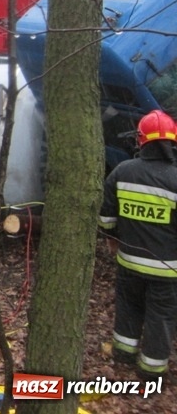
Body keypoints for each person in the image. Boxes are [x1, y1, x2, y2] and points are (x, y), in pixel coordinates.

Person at [99, 109, 177, 381]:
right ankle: (151, 371)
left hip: (128, 260)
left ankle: (123, 354)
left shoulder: (122, 171)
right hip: (167, 269)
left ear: (140, 140)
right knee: (161, 315)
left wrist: (112, 241)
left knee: (129, 306)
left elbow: (106, 217)